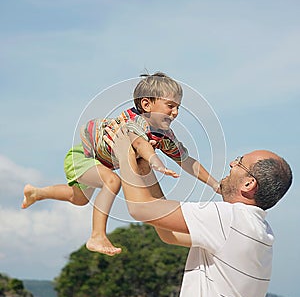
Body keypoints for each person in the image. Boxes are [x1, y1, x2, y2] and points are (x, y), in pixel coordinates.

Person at [104, 123, 292, 297]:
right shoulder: (255, 228)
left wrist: (123, 147)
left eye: (238, 162)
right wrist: (144, 168)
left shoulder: (231, 219)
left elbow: (140, 209)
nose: (231, 165)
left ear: (249, 184)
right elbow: (167, 233)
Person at [22, 73, 219, 256]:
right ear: (147, 104)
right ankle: (97, 236)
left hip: (103, 163)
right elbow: (141, 144)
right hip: (83, 156)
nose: (175, 112)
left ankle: (37, 193)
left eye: (178, 107)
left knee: (79, 198)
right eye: (170, 105)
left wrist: (214, 184)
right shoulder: (136, 122)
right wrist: (155, 162)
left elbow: (187, 161)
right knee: (112, 181)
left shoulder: (165, 135)